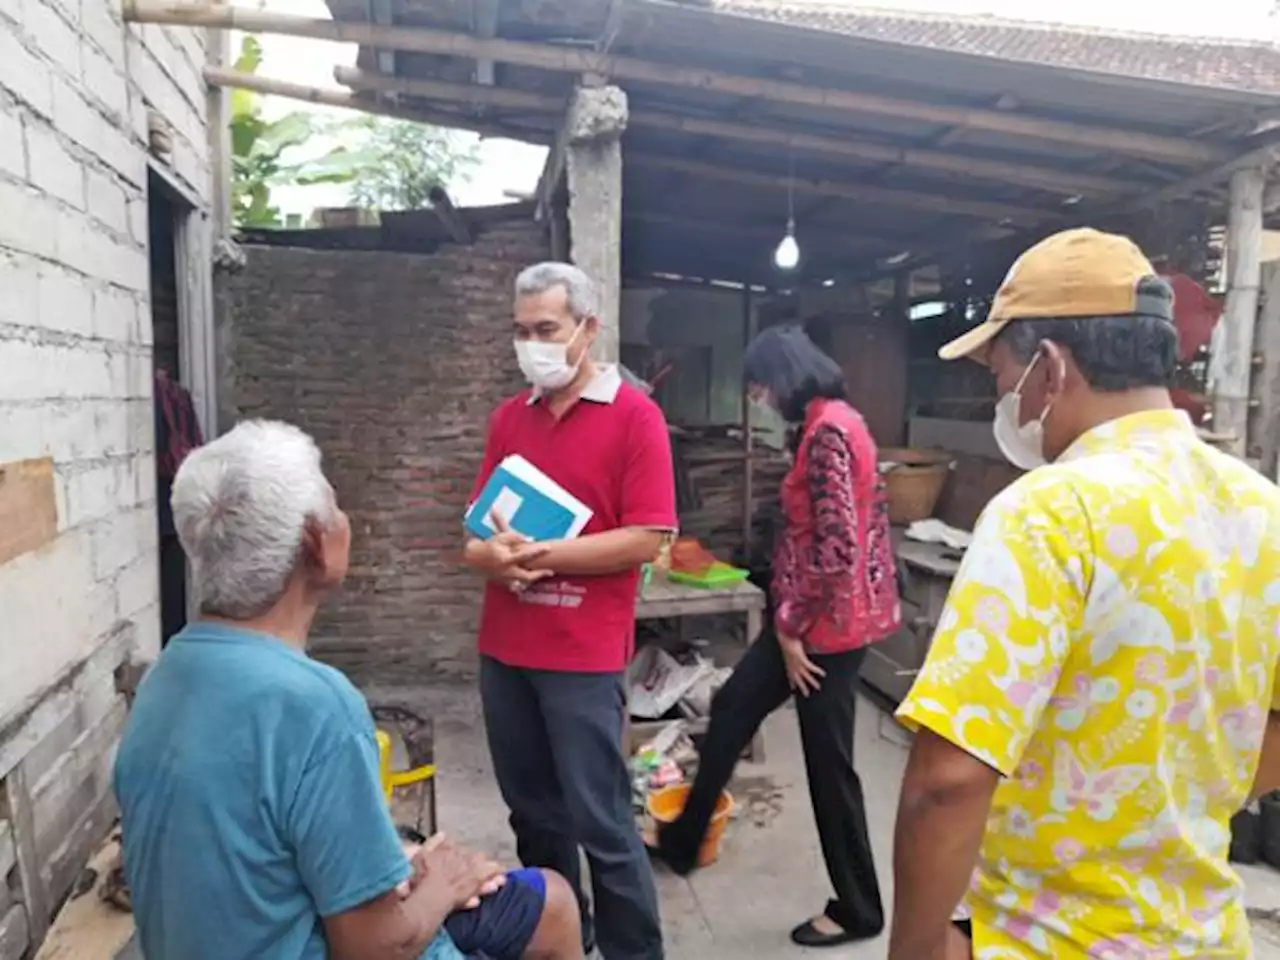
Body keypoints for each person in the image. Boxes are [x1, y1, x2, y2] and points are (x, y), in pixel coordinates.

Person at [888, 227, 1280, 960]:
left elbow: (947, 781)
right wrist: (1172, 797)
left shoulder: (1050, 511)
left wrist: (914, 951)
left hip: (1050, 940)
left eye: (1001, 374)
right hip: (1205, 940)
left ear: (1050, 367)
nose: (1001, 395)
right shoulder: (1264, 510)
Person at [114, 419, 582, 960]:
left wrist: (400, 865)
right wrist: (443, 882)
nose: (346, 520)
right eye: (336, 505)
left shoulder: (166, 673)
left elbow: (253, 847)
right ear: (315, 541)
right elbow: (376, 947)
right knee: (554, 902)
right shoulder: (317, 707)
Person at [652, 325, 901, 948]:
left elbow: (840, 548)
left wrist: (790, 629)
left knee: (829, 767)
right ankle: (685, 838)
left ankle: (859, 909)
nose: (759, 397)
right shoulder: (840, 420)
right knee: (734, 706)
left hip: (825, 631)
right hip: (818, 616)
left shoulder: (826, 435)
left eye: (760, 385)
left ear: (784, 376)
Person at [462, 262, 676, 960]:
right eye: (521, 332)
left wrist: (544, 555)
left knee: (603, 823)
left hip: (581, 655)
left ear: (589, 327)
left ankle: (633, 952)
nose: (532, 345)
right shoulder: (509, 419)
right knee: (533, 815)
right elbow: (475, 536)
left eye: (546, 329)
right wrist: (489, 557)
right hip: (506, 650)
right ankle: (561, 937)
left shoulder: (635, 418)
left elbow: (648, 536)